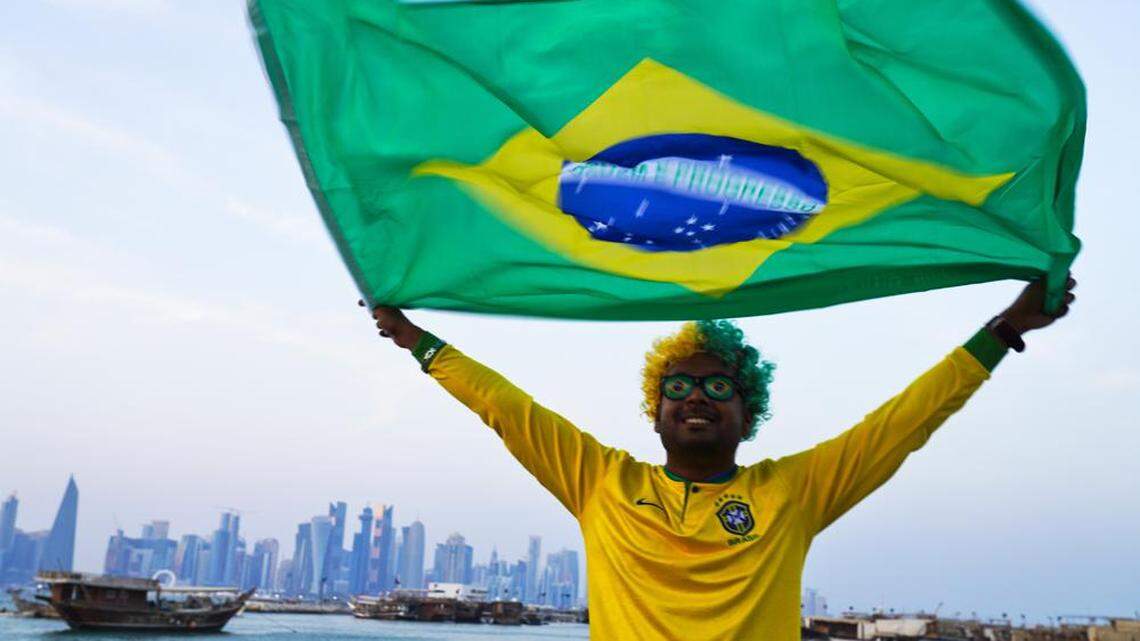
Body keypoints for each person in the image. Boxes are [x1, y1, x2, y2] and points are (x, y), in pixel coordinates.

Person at [369, 277, 1076, 641]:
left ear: (748, 410)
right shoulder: (599, 480)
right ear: (656, 411)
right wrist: (416, 340)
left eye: (717, 387)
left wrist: (1004, 329)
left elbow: (907, 419)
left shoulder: (794, 490)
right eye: (678, 387)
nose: (696, 398)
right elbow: (505, 405)